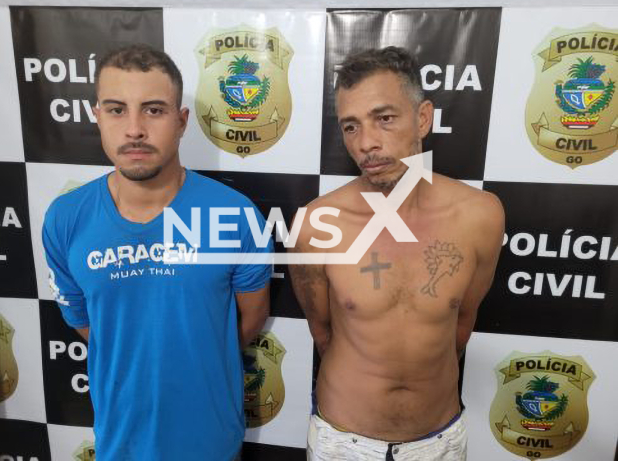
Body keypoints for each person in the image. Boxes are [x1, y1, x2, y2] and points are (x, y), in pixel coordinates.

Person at [42, 45, 272, 461]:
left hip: (212, 444)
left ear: (182, 122)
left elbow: (252, 317)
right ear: (96, 117)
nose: (134, 130)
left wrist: (198, 350)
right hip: (119, 443)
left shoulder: (236, 215)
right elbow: (85, 323)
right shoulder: (65, 219)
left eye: (153, 110)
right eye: (116, 110)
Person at [289, 46, 504, 460]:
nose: (367, 143)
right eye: (350, 127)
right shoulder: (317, 224)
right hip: (343, 440)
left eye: (384, 119)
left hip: (437, 440)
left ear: (422, 117)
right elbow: (322, 331)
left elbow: (463, 321)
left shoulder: (480, 215)